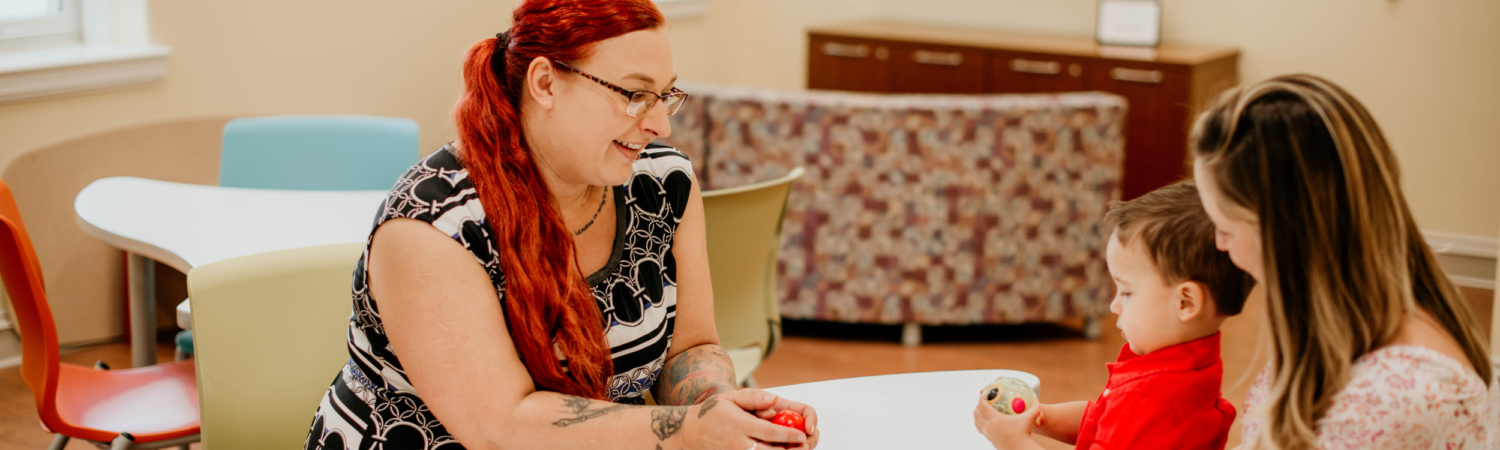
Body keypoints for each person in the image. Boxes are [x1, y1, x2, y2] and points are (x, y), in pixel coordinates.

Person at [302, 1, 818, 449]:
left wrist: (719, 408)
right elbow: (500, 428)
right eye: (634, 94)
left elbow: (690, 348)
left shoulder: (662, 182)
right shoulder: (434, 223)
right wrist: (685, 433)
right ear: (546, 83)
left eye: (665, 96)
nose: (660, 123)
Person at [1193, 74, 1497, 449]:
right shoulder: (1347, 332)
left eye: (1224, 226)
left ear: (1287, 234)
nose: (1220, 243)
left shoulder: (1391, 400)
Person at [974, 180, 1254, 449]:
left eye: (1127, 292)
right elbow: (1104, 420)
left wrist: (1013, 443)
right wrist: (1039, 415)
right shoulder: (1191, 370)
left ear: (1185, 302)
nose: (1114, 306)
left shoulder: (1148, 401)